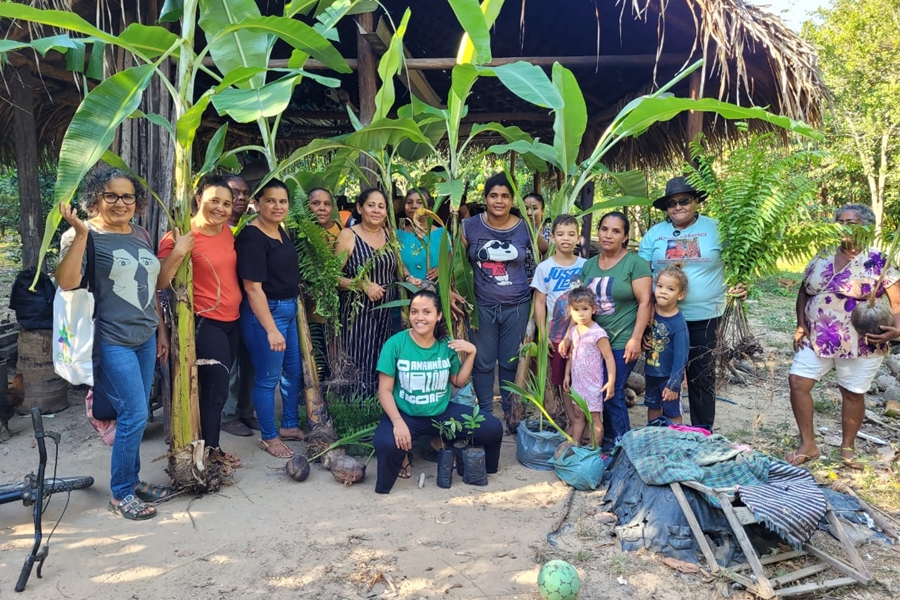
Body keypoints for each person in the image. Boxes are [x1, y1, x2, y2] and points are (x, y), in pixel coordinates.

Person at [56, 164, 177, 520]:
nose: (120, 203)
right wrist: (79, 233)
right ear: (96, 198)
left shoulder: (140, 234)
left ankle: (132, 479)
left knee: (135, 415)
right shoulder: (84, 234)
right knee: (135, 413)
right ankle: (121, 492)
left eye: (127, 196)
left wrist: (160, 331)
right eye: (111, 195)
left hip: (143, 336)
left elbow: (153, 285)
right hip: (110, 339)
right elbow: (67, 282)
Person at [788, 204, 900, 467]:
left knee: (852, 392)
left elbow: (897, 302)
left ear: (867, 228)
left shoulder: (878, 260)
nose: (844, 227)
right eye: (840, 221)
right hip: (817, 336)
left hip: (860, 340)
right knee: (798, 383)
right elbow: (805, 292)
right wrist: (801, 324)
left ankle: (847, 447)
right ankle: (808, 444)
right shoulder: (822, 254)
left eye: (852, 222)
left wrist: (896, 330)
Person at [372, 290, 504, 494]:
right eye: (415, 312)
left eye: (426, 312)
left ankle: (485, 470)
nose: (419, 317)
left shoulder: (446, 344)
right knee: (386, 444)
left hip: (442, 413)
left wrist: (471, 353)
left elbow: (458, 382)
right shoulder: (395, 344)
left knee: (492, 428)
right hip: (406, 415)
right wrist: (397, 422)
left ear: (438, 316)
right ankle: (398, 465)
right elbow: (385, 390)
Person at [638, 177, 744, 431]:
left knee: (701, 376)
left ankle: (701, 432)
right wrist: (645, 315)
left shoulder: (718, 229)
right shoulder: (655, 234)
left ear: (696, 201)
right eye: (671, 203)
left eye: (684, 200)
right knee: (659, 373)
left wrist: (741, 283)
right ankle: (661, 432)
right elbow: (641, 274)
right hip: (662, 319)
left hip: (704, 317)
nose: (678, 207)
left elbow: (739, 260)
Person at [158, 175, 243, 468]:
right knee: (215, 391)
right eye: (214, 201)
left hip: (233, 320)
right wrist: (180, 250)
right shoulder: (181, 235)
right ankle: (210, 453)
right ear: (198, 200)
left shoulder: (229, 233)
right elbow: (159, 281)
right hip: (206, 323)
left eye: (227, 203)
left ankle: (209, 448)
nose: (220, 208)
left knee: (217, 390)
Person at [236, 178, 304, 459]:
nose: (278, 206)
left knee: (293, 373)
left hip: (287, 310)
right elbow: (252, 288)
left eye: (283, 201)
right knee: (267, 379)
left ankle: (288, 425)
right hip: (267, 313)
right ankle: (270, 437)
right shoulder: (252, 236)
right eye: (271, 200)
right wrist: (271, 329)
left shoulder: (279, 230)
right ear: (257, 203)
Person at [461, 173, 537, 419]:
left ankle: (509, 411)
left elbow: (543, 249)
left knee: (509, 362)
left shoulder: (525, 227)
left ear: (511, 199)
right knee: (482, 362)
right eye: (493, 195)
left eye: (505, 196)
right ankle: (484, 412)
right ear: (485, 199)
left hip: (517, 305)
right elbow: (455, 264)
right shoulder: (469, 226)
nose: (499, 201)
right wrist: (452, 290)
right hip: (480, 305)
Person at [579, 211, 652, 448]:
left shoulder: (635, 264)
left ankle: (624, 446)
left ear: (625, 237)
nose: (608, 235)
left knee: (612, 392)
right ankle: (609, 441)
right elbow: (582, 304)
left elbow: (645, 302)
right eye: (604, 229)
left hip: (622, 340)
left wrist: (636, 338)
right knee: (598, 393)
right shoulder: (589, 264)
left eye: (616, 231)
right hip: (594, 341)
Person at [335, 188, 398, 395]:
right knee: (358, 356)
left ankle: (376, 405)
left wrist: (408, 277)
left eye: (381, 206)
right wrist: (361, 284)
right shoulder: (348, 236)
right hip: (357, 315)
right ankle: (355, 407)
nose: (376, 210)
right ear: (360, 208)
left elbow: (398, 266)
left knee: (381, 358)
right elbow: (332, 277)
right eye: (371, 205)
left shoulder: (389, 234)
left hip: (385, 313)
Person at [531, 215, 586, 435]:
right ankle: (573, 422)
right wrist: (543, 336)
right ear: (552, 237)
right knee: (563, 380)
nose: (566, 239)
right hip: (557, 336)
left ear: (578, 238)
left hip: (582, 335)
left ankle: (585, 421)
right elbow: (540, 303)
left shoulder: (586, 265)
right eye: (561, 234)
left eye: (571, 234)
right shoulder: (544, 268)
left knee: (581, 379)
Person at [220, 173, 257, 437]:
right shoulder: (216, 229)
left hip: (250, 304)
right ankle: (228, 414)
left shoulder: (250, 227)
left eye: (245, 193)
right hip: (223, 307)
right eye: (234, 192)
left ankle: (246, 411)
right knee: (230, 364)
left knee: (250, 361)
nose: (240, 198)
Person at [563, 287, 616, 447]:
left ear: (594, 309)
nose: (580, 313)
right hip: (578, 384)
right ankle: (575, 449)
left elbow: (608, 357)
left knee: (594, 419)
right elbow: (572, 354)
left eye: (585, 309)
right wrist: (566, 375)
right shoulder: (573, 331)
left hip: (593, 385)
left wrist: (611, 381)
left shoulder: (598, 333)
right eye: (576, 309)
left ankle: (594, 453)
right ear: (570, 310)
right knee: (578, 416)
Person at [644, 264, 690, 425]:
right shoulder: (650, 311)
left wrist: (674, 385)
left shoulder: (678, 324)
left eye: (670, 289)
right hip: (651, 373)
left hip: (668, 377)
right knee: (653, 407)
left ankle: (674, 443)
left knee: (672, 411)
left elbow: (681, 358)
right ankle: (653, 440)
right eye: (660, 286)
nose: (663, 291)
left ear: (680, 295)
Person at [398, 188, 442, 284]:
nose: (414, 206)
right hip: (405, 293)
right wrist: (408, 277)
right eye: (409, 202)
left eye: (419, 202)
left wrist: (441, 269)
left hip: (436, 292)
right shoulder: (398, 236)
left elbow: (452, 261)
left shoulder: (442, 234)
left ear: (430, 208)